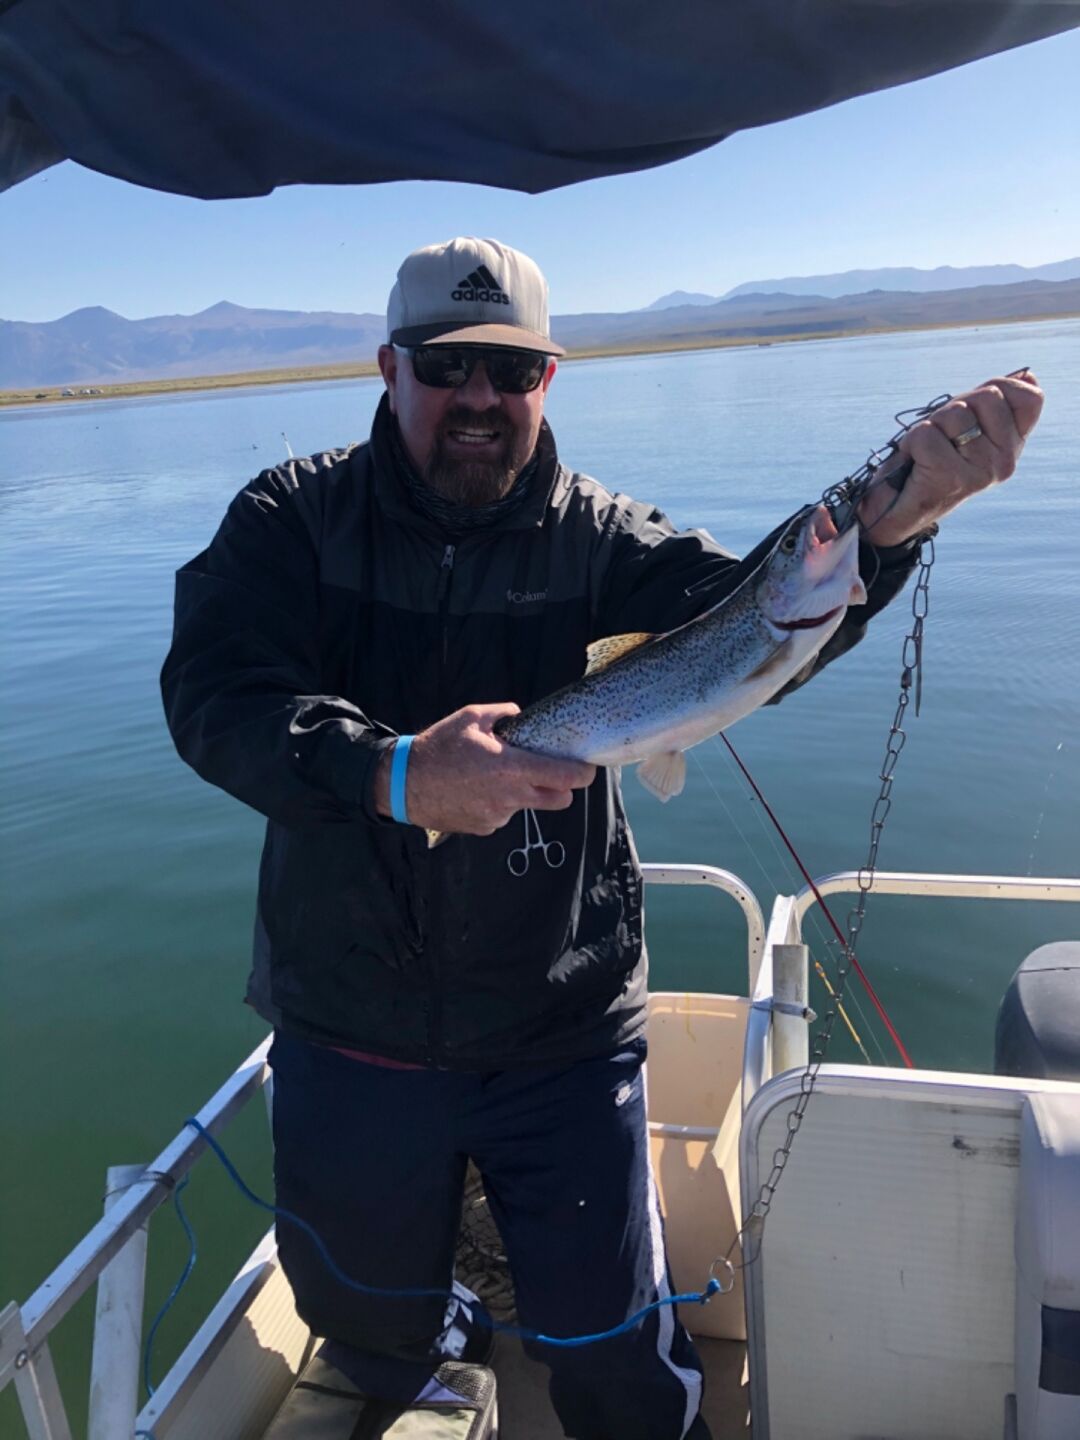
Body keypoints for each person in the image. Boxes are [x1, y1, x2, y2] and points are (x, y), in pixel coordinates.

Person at [161, 237, 1043, 1438]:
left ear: (549, 378)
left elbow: (747, 620)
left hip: (560, 1025)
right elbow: (213, 699)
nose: (480, 396)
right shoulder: (290, 522)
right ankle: (435, 1353)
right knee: (362, 1318)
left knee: (613, 1350)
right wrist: (394, 772)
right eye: (447, 365)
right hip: (348, 1016)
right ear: (389, 368)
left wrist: (886, 532)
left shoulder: (605, 537)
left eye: (511, 370)